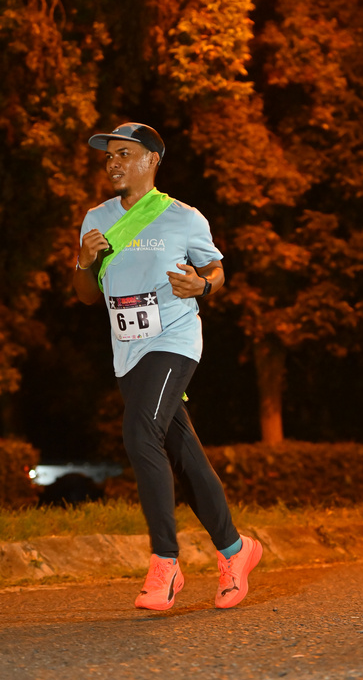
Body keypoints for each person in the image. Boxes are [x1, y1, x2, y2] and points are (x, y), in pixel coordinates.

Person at [74, 122, 262, 611]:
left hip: (174, 339)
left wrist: (204, 286)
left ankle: (165, 564)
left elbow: (216, 270)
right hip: (127, 349)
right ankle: (236, 551)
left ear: (152, 159)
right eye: (108, 156)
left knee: (140, 433)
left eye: (124, 153)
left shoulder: (183, 217)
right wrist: (83, 262)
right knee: (182, 453)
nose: (113, 163)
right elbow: (85, 295)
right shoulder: (97, 218)